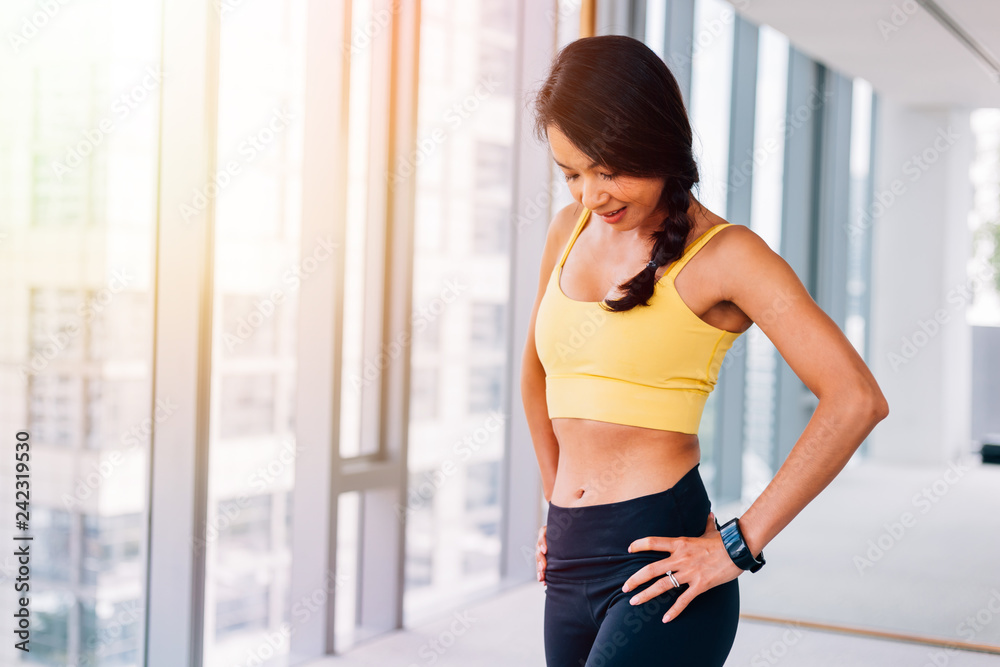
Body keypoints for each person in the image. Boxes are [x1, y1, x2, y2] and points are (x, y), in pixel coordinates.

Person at [520, 35, 889, 667]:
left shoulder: (728, 255)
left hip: (664, 565)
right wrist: (560, 509)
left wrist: (738, 544)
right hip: (569, 557)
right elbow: (536, 378)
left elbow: (855, 399)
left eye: (608, 169)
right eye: (572, 174)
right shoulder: (568, 229)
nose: (591, 196)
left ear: (657, 142)